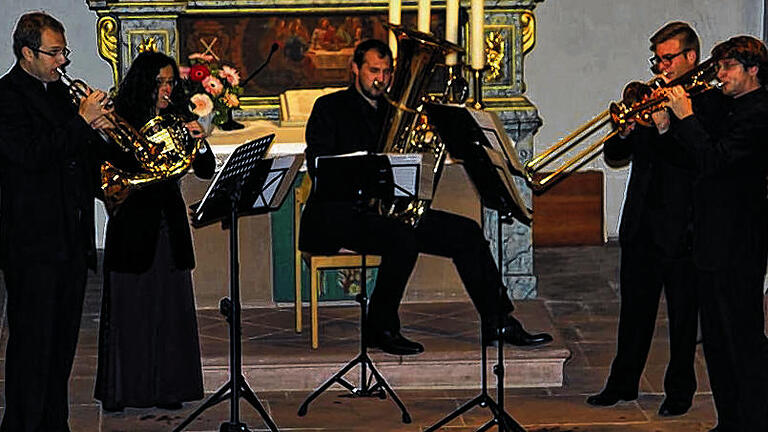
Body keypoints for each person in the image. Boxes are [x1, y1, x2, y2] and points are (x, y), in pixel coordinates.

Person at [300, 39, 552, 356]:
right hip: (339, 215)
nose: (381, 78)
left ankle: (498, 320)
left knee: (466, 232)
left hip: (386, 212)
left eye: (387, 71)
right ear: (355, 69)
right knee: (401, 238)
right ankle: (380, 327)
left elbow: (415, 173)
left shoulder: (396, 112)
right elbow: (321, 166)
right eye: (373, 70)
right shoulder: (330, 108)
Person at [587, 22, 725, 417]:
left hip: (683, 227)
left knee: (683, 316)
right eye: (657, 59)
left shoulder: (708, 102)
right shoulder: (651, 96)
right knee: (634, 311)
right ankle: (622, 382)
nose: (660, 67)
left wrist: (668, 127)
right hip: (641, 223)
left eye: (668, 58)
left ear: (690, 57)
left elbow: (699, 161)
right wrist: (627, 131)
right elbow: (615, 155)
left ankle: (679, 391)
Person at [0, 11, 113, 431]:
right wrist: (81, 121)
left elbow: (78, 158)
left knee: (63, 345)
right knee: (31, 346)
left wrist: (100, 131)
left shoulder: (64, 97)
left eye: (65, 50)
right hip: (32, 244)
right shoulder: (7, 97)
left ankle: (54, 424)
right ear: (27, 53)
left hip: (71, 238)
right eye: (54, 52)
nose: (63, 60)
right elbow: (31, 155)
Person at [94, 51, 216, 411]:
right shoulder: (121, 118)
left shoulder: (179, 118)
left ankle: (168, 388)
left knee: (168, 308)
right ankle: (123, 390)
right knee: (131, 308)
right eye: (159, 82)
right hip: (133, 223)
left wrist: (199, 138)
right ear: (144, 83)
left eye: (170, 82)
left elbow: (206, 168)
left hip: (169, 222)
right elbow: (109, 169)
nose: (165, 89)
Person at [664, 35, 768, 432]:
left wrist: (686, 117)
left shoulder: (759, 111)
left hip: (739, 241)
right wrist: (665, 127)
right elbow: (691, 159)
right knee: (717, 342)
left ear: (752, 70)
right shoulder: (723, 105)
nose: (719, 75)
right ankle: (730, 421)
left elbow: (716, 159)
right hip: (708, 237)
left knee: (742, 338)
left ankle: (756, 422)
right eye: (719, 66)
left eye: (728, 67)